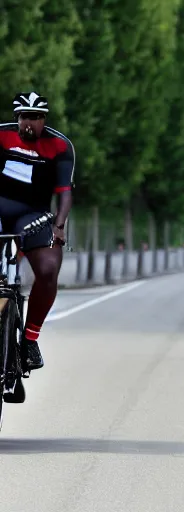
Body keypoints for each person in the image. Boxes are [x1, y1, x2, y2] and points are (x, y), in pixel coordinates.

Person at [0, 91, 75, 401]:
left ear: (44, 119)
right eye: (23, 116)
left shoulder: (59, 146)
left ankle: (29, 339)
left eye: (35, 117)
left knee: (47, 269)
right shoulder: (1, 136)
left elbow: (64, 193)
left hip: (34, 216)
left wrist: (58, 226)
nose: (28, 122)